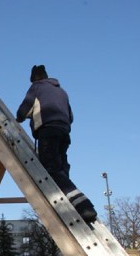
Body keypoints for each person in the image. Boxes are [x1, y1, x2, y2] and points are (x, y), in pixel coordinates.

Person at [16, 64, 97, 223]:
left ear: (34, 79)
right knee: (61, 167)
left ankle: (84, 206)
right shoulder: (61, 91)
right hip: (64, 132)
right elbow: (71, 116)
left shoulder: (37, 87)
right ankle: (70, 202)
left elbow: (23, 111)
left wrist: (23, 118)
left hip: (48, 132)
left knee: (51, 169)